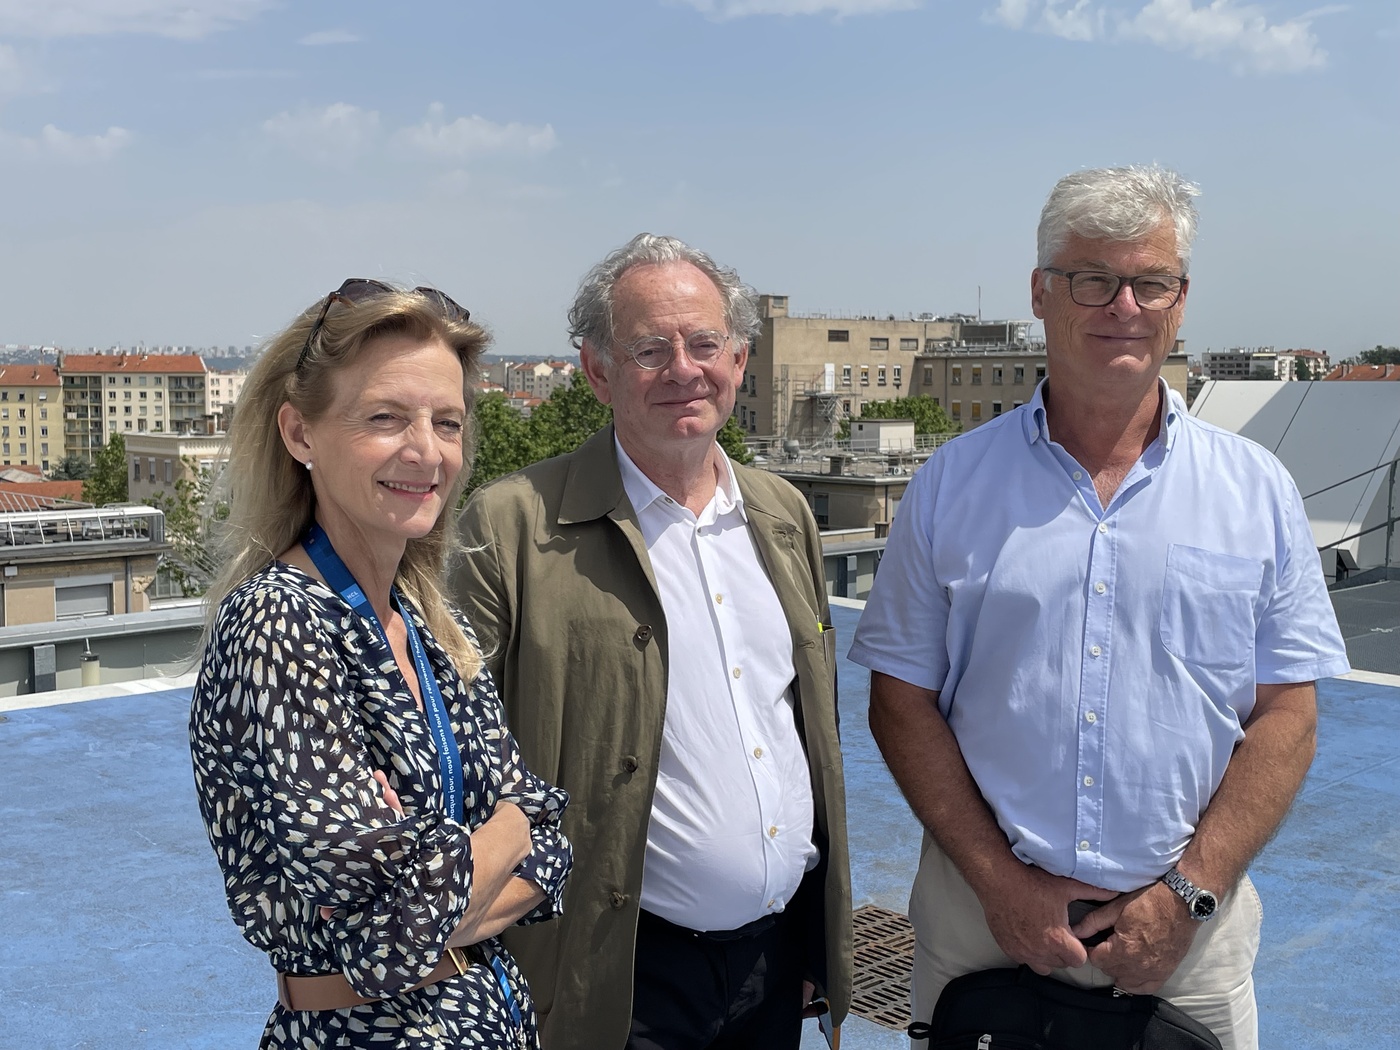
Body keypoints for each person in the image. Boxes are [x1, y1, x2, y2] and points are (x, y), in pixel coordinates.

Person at [849, 166, 1350, 1050]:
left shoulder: (1255, 490)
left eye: (1150, 282)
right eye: (1093, 279)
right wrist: (999, 882)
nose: (1124, 304)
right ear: (1042, 294)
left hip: (1191, 942)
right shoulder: (951, 485)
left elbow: (1289, 715)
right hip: (981, 932)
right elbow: (902, 702)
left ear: (1180, 301)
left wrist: (1188, 894)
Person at [454, 234, 852, 1050]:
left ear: (740, 360)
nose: (683, 369)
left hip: (771, 967)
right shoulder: (513, 526)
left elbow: (805, 733)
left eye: (705, 344)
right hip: (614, 978)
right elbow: (455, 754)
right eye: (649, 348)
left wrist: (816, 936)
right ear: (597, 371)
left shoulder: (784, 514)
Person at [189, 278, 572, 1050]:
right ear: (300, 434)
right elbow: (393, 924)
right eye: (385, 418)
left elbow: (555, 841)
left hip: (494, 1019)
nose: (426, 451)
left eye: (448, 422)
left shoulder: (435, 621)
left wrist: (461, 857)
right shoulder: (279, 623)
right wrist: (501, 834)